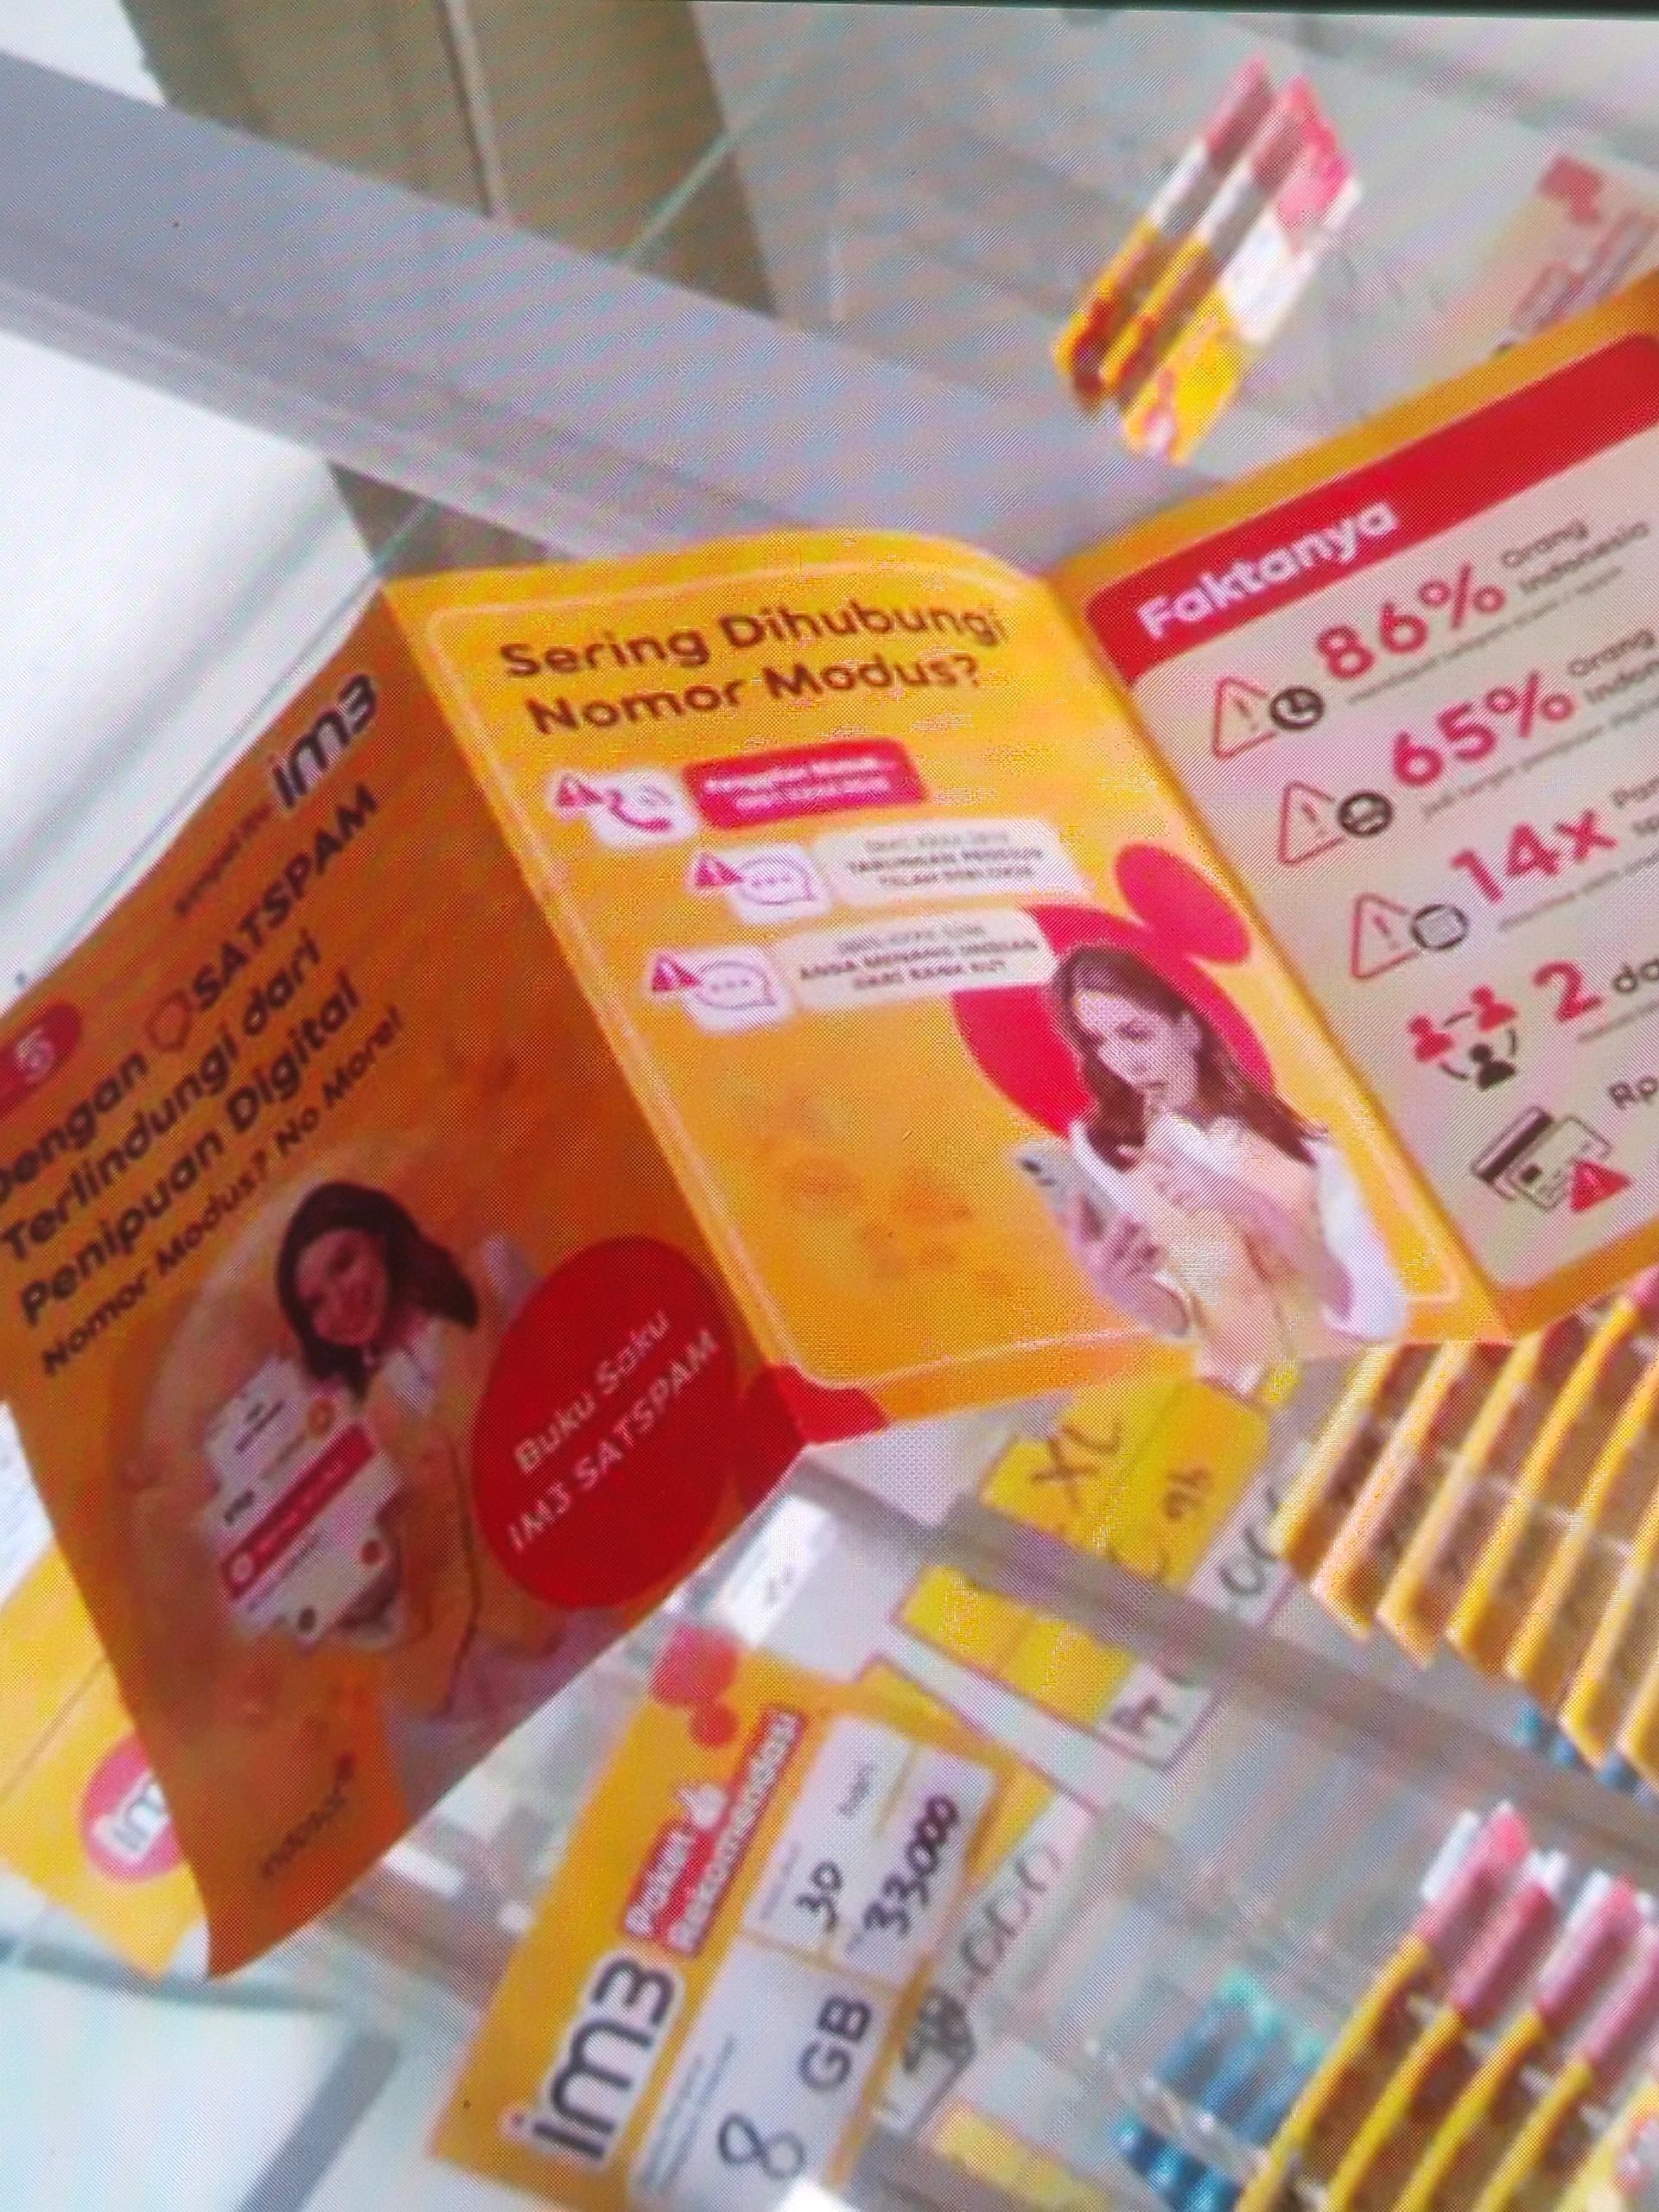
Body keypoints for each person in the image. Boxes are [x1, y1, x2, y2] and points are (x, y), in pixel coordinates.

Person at [274, 1183, 607, 1812]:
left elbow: (589, 1395)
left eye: (343, 1263)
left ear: (379, 1238)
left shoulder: (492, 1276)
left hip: (558, 1632)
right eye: (315, 1303)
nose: (340, 1302)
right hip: (438, 1699)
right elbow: (388, 1584)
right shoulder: (350, 1424)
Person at [1048, 945, 1407, 1382]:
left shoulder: (1306, 1132)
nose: (1126, 1063)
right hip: (1237, 1381)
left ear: (1188, 1029)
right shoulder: (1113, 1150)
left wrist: (1254, 1206)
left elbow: (1367, 1305)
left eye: (1137, 1033)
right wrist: (1126, 1292)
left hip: (1351, 1370)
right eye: (1098, 1043)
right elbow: (1184, 1313)